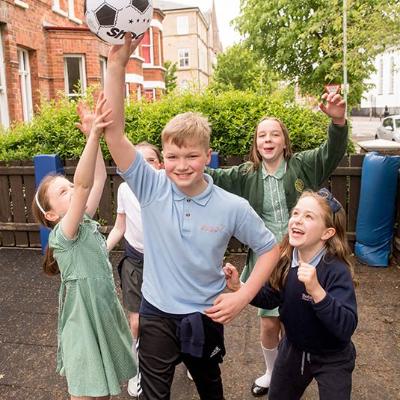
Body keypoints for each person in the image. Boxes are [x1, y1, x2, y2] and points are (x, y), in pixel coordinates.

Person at [102, 37, 280, 400]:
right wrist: (117, 67)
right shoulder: (150, 187)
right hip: (155, 313)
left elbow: (269, 247)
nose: (181, 166)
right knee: (154, 395)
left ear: (208, 156)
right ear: (163, 156)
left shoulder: (231, 206)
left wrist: (244, 295)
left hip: (205, 313)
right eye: (172, 156)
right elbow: (115, 134)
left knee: (210, 389)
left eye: (191, 156)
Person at [207, 91, 348, 396]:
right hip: (267, 255)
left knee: (297, 314)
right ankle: (273, 372)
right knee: (269, 322)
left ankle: (301, 363)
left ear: (285, 141)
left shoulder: (304, 166)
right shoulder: (247, 174)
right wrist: (184, 166)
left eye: (274, 134)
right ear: (256, 144)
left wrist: (337, 121)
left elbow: (332, 150)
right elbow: (214, 176)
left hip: (301, 250)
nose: (267, 139)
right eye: (261, 135)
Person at [31, 93, 136, 400]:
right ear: (51, 214)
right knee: (85, 392)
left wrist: (98, 138)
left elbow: (97, 178)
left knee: (100, 390)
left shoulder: (84, 222)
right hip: (83, 320)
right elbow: (84, 184)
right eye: (62, 192)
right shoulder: (64, 234)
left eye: (68, 186)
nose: (71, 190)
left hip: (100, 311)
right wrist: (92, 136)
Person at [224, 189, 358, 400]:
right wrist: (240, 286)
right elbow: (270, 297)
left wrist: (317, 292)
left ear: (327, 233)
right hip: (294, 349)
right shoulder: (285, 260)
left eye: (308, 216)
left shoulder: (335, 270)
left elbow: (346, 326)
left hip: (333, 356)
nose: (297, 220)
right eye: (296, 213)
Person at [106, 141, 162, 397]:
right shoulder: (125, 190)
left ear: (160, 165)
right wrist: (101, 250)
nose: (143, 165)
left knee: (176, 316)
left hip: (164, 262)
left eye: (150, 160)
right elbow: (120, 226)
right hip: (135, 261)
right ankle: (136, 369)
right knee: (136, 320)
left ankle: (191, 358)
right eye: (137, 160)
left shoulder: (167, 185)